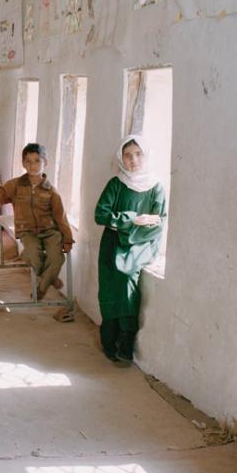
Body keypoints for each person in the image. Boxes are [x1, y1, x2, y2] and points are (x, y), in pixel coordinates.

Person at [94, 135, 167, 363]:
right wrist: (132, 219)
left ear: (146, 156)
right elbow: (100, 215)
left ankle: (126, 339)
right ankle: (109, 338)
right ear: (121, 158)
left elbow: (159, 222)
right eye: (127, 155)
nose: (133, 159)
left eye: (138, 154)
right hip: (112, 243)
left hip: (142, 244)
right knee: (108, 287)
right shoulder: (116, 184)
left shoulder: (156, 187)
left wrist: (129, 230)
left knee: (126, 279)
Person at [0, 143, 74, 301]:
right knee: (31, 254)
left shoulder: (51, 191)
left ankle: (41, 287)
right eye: (28, 161)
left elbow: (61, 217)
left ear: (45, 162)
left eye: (37, 161)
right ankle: (50, 279)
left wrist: (67, 238)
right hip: (27, 232)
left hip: (50, 231)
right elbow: (1, 191)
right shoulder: (16, 185)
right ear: (23, 163)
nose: (33, 166)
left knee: (57, 258)